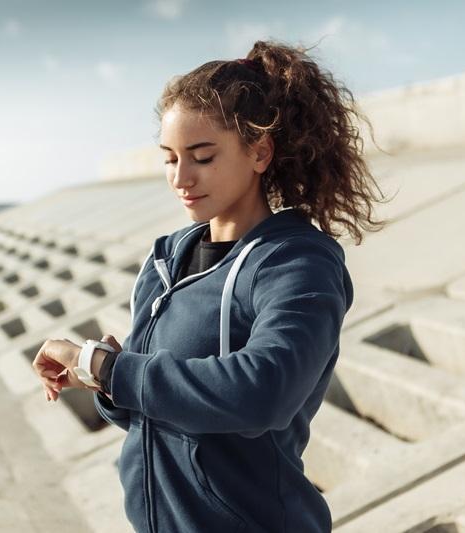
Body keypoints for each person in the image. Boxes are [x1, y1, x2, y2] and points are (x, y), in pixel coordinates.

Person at [32, 40, 387, 532]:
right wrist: (107, 382)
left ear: (260, 152)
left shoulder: (296, 263)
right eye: (169, 158)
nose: (181, 177)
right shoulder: (166, 259)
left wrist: (110, 368)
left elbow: (264, 392)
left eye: (201, 156)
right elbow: (159, 414)